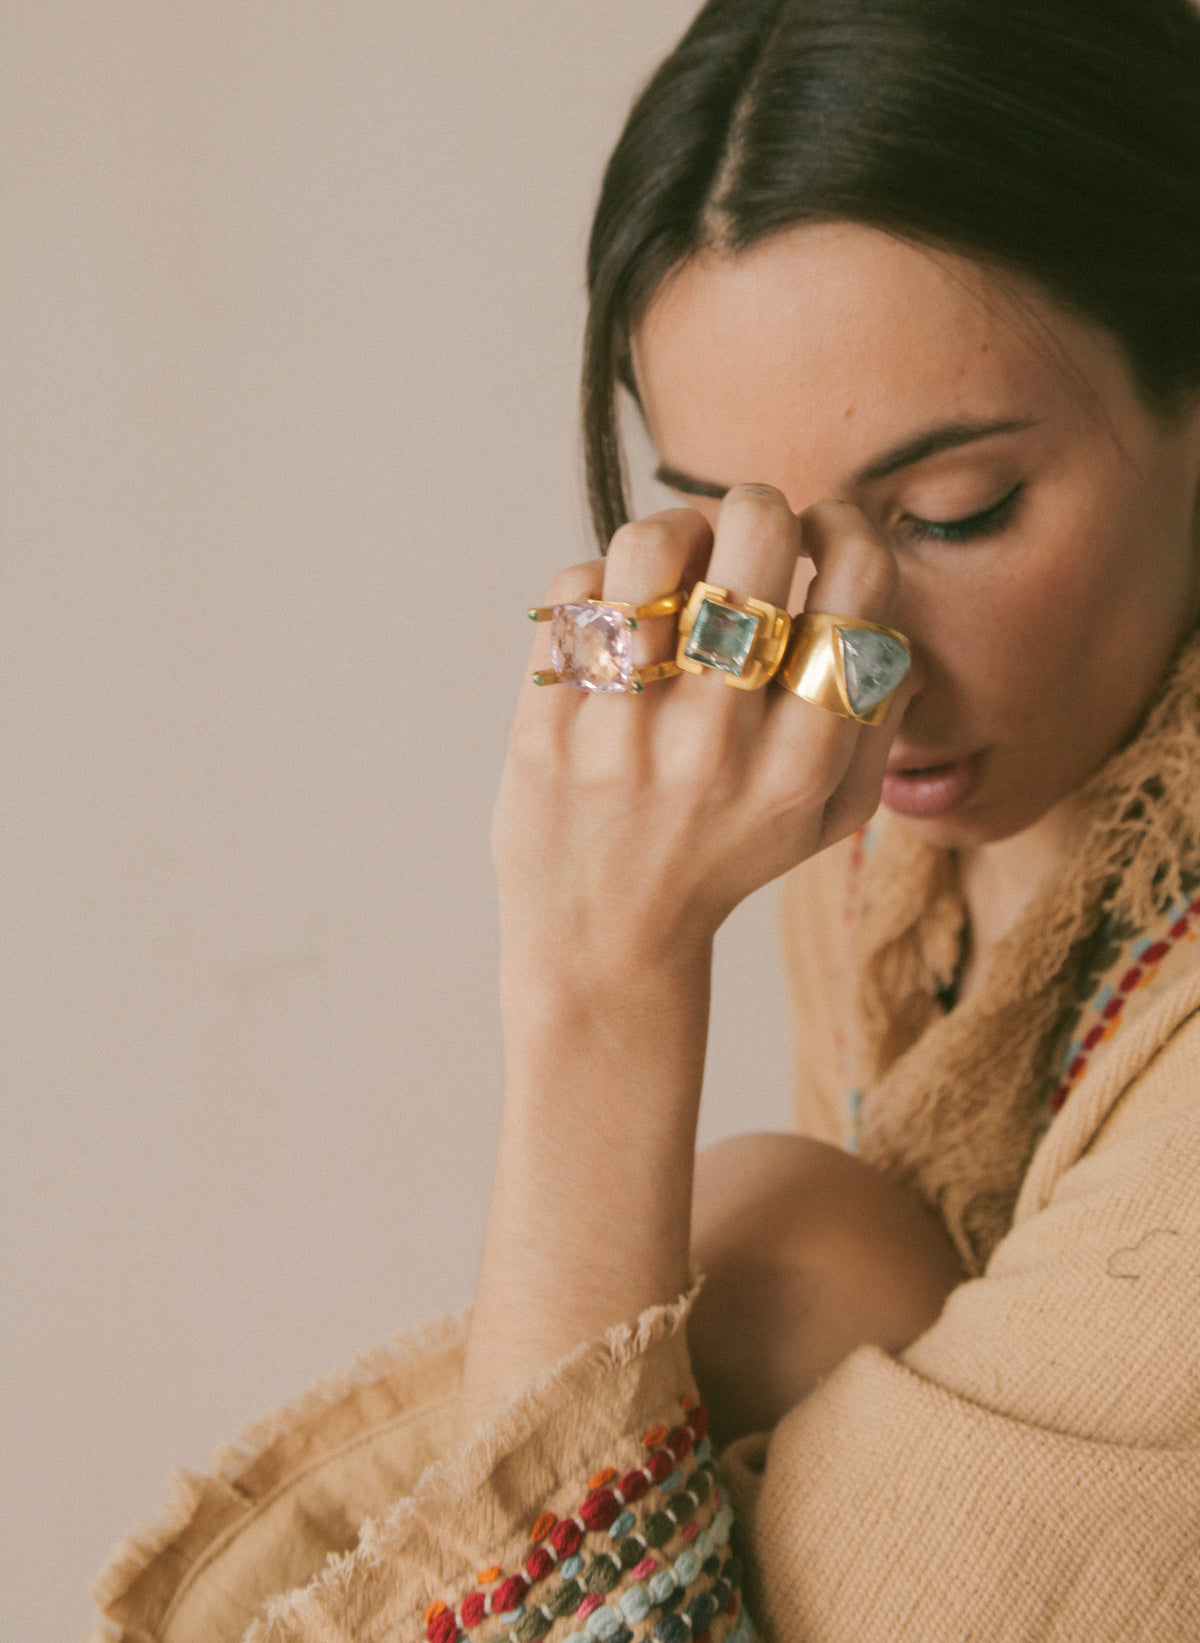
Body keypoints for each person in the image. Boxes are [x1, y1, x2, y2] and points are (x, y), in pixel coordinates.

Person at [90, 0, 1200, 1638]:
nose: (848, 664)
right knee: (812, 1249)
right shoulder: (890, 844)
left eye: (957, 510)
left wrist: (597, 993)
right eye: (735, 528)